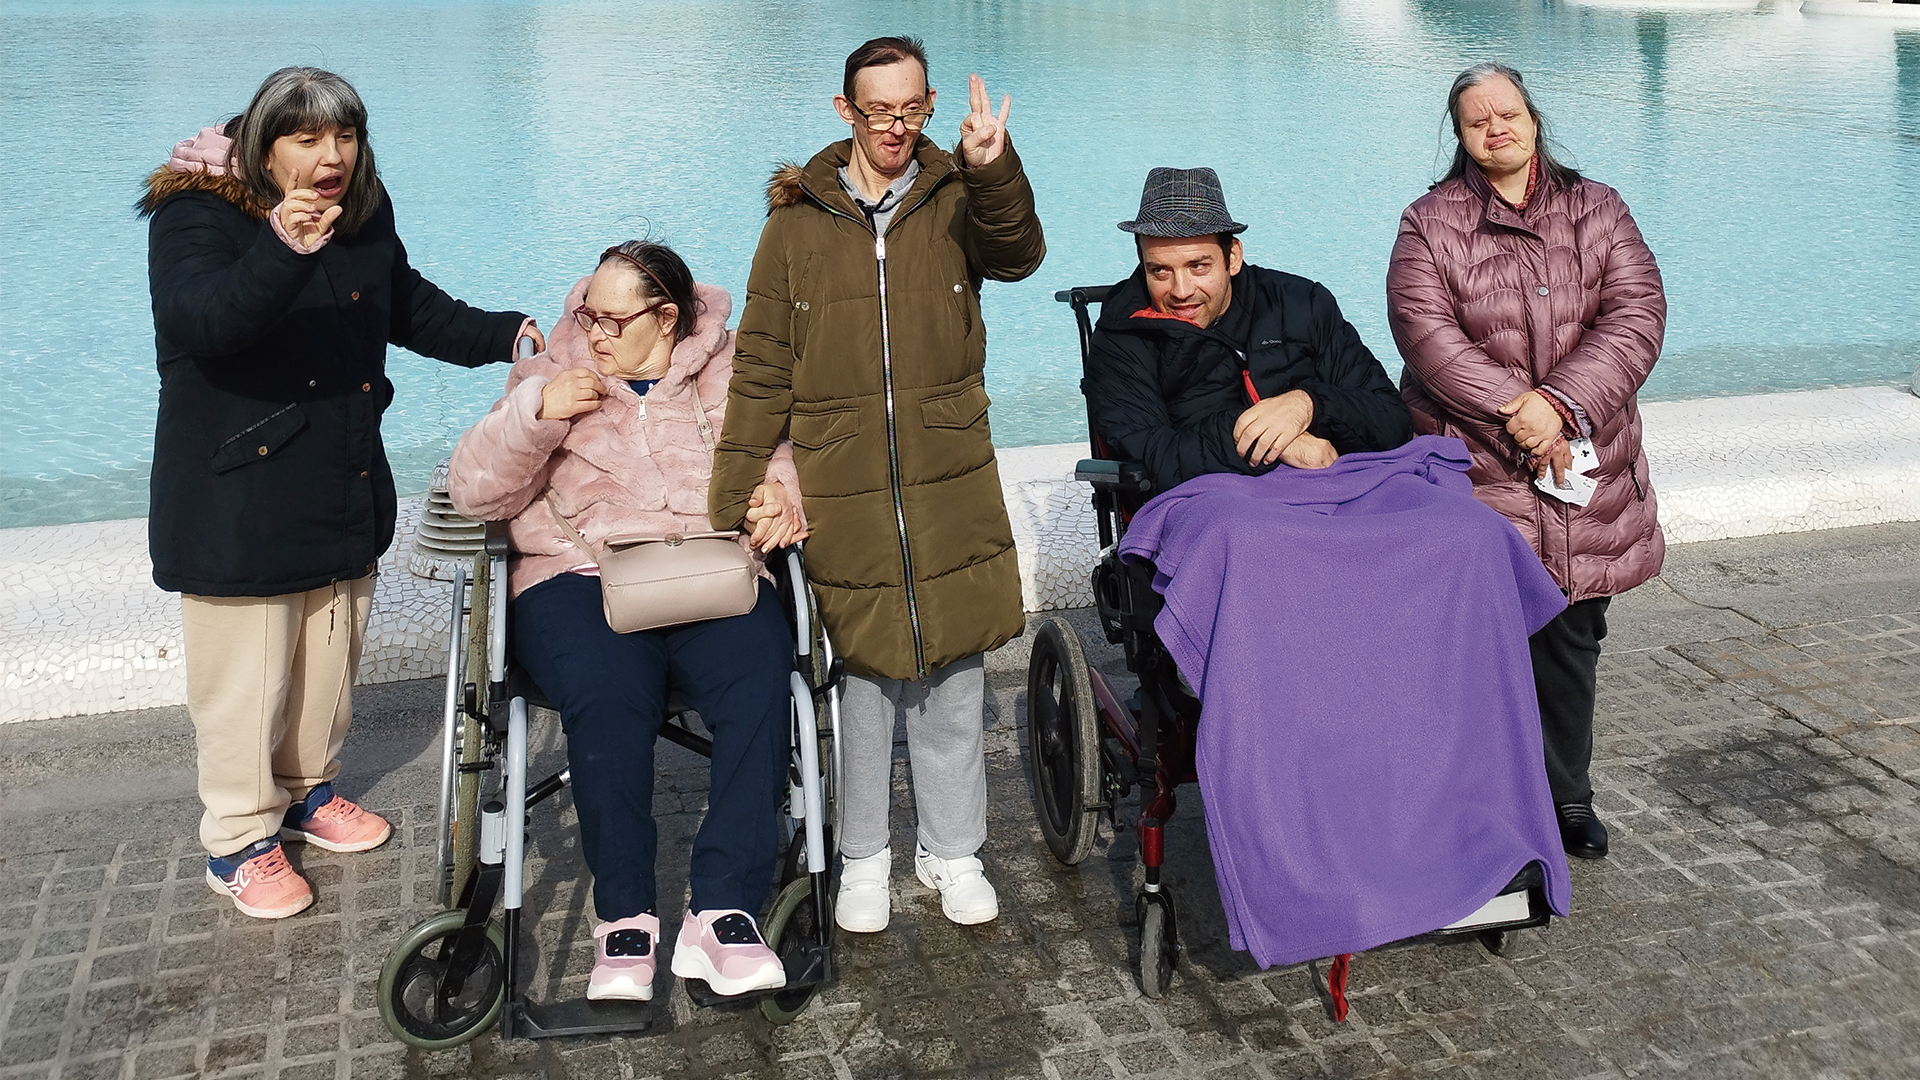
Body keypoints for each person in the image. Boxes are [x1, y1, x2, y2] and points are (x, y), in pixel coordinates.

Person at [141, 67, 541, 922]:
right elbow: (203, 320)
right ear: (262, 144)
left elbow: (406, 305)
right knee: (246, 679)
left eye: (346, 137)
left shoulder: (360, 211)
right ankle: (239, 841)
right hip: (237, 493)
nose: (331, 158)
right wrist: (282, 245)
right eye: (307, 140)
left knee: (330, 654)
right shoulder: (196, 212)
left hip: (340, 476)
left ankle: (305, 793)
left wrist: (506, 335)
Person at [709, 36, 1045, 933]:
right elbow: (764, 362)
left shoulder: (955, 199)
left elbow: (1018, 255)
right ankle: (863, 857)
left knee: (953, 664)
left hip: (947, 463)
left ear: (928, 105)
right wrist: (734, 488)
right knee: (864, 673)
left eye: (912, 110)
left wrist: (994, 167)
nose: (896, 128)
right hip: (842, 469)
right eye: (878, 111)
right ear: (844, 111)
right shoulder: (794, 224)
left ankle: (955, 850)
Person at [447, 242, 808, 1000]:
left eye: (613, 319)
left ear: (667, 317)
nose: (596, 332)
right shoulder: (551, 372)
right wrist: (534, 417)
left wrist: (781, 492)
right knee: (609, 690)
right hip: (578, 575)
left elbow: (780, 449)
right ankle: (624, 919)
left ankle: (723, 911)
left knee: (760, 673)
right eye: (589, 314)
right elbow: (474, 492)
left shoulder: (728, 369)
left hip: (706, 566)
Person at [1387, 62, 1667, 860]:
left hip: (1585, 466)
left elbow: (1637, 315)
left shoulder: (1598, 208)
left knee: (1574, 634)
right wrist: (1521, 410)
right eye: (1478, 121)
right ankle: (1478, 800)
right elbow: (1425, 334)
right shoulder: (1429, 222)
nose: (1496, 128)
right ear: (1461, 135)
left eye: (1508, 113)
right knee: (1477, 644)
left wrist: (1563, 405)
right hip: (1481, 467)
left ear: (1534, 119)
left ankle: (1566, 798)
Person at [1084, 167, 1412, 492]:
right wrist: (1271, 441)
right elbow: (1154, 459)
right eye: (1160, 271)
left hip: (1337, 486)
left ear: (1233, 257)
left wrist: (1308, 405)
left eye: (1198, 266)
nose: (1181, 290)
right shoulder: (1121, 337)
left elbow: (1391, 420)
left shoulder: (1302, 303)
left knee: (1447, 523)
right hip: (1214, 503)